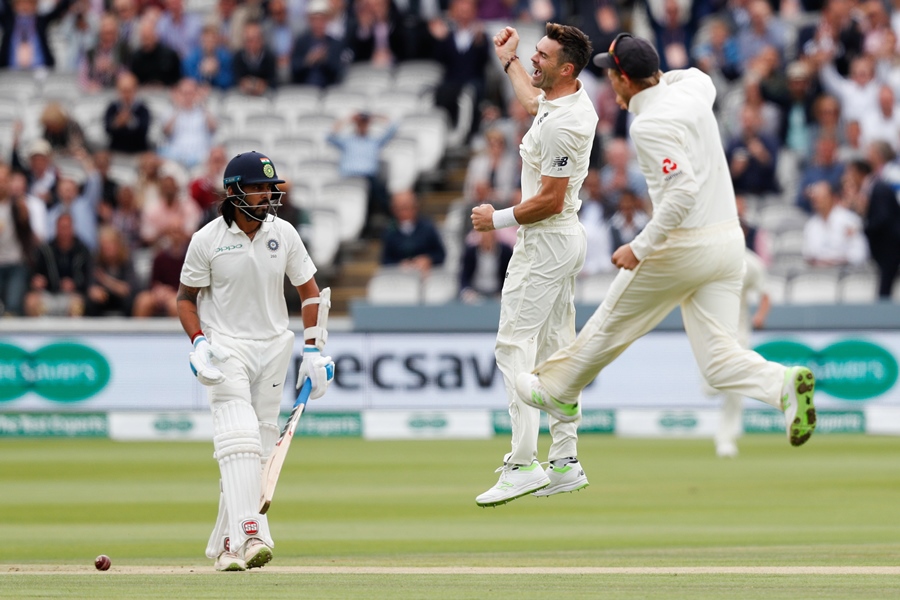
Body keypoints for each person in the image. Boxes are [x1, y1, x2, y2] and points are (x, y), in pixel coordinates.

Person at [515, 33, 817, 455]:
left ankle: (555, 388)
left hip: (685, 245)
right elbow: (695, 75)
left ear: (624, 79)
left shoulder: (650, 126)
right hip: (730, 243)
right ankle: (781, 385)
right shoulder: (694, 89)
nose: (610, 82)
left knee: (612, 319)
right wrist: (651, 76)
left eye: (612, 74)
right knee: (718, 362)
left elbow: (681, 193)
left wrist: (639, 246)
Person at [176, 150, 334, 571]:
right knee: (239, 438)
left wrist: (315, 350)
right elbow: (185, 300)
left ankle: (227, 547)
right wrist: (198, 343)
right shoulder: (206, 239)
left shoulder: (284, 233)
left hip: (273, 348)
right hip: (225, 346)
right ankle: (250, 534)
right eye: (259, 188)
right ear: (233, 192)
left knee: (258, 449)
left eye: (270, 187)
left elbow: (311, 293)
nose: (267, 195)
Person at [469, 23, 597, 507]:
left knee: (512, 347)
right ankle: (565, 461)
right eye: (534, 53)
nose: (535, 60)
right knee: (556, 351)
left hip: (545, 241)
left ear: (566, 68)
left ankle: (524, 463)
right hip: (559, 242)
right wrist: (511, 60)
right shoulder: (559, 102)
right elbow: (531, 101)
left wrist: (495, 219)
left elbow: (549, 198)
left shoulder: (567, 122)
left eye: (542, 56)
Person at [704, 248, 771, 458]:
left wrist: (760, 316)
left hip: (739, 332)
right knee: (710, 387)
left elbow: (765, 294)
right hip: (706, 332)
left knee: (735, 382)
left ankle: (726, 439)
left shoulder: (751, 263)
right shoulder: (703, 256)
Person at [24, 212, 92, 317]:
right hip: (48, 293)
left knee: (77, 305)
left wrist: (75, 284)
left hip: (72, 295)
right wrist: (37, 281)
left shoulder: (82, 251)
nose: (64, 231)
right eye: (61, 227)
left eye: (67, 227)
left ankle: (73, 333)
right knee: (31, 301)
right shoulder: (45, 250)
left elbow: (88, 278)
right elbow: (35, 274)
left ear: (73, 228)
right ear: (56, 228)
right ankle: (38, 333)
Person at [381, 189, 445, 274]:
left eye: (408, 208)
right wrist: (399, 264)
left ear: (415, 207)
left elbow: (440, 254)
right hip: (400, 276)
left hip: (426, 274)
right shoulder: (390, 231)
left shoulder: (427, 227)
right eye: (401, 209)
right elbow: (385, 260)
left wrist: (428, 259)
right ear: (394, 210)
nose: (405, 213)